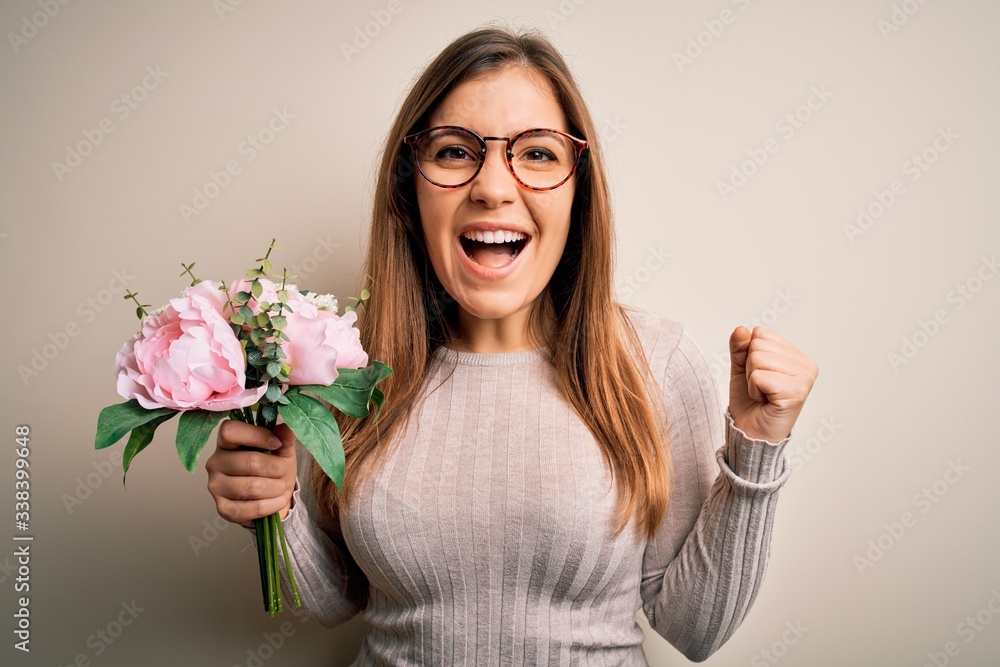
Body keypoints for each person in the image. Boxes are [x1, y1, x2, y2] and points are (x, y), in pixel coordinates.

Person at [206, 26, 818, 665]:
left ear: (579, 192)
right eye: (452, 152)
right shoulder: (347, 363)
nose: (493, 187)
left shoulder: (656, 365)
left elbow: (696, 631)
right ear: (408, 192)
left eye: (537, 154)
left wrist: (757, 448)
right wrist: (275, 509)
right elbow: (336, 603)